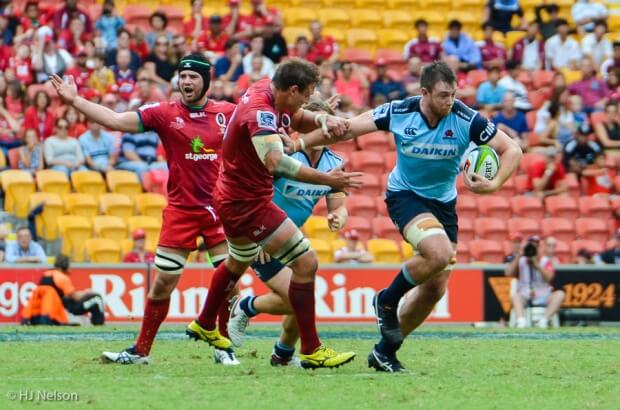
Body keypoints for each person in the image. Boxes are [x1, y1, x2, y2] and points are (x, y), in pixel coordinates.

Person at [290, 60, 522, 371]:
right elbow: (345, 130)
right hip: (405, 196)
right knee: (438, 252)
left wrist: (493, 184)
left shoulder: (467, 118)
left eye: (453, 94)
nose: (450, 101)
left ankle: (385, 351)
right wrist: (299, 142)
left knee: (435, 288)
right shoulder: (399, 111)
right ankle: (386, 299)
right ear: (424, 92)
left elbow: (513, 150)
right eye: (442, 95)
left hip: (443, 204)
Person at [50, 53, 237, 365]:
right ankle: (140, 351)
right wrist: (75, 101)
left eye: (193, 76)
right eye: (182, 75)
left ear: (207, 80)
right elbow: (114, 119)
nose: (186, 81)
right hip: (181, 211)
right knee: (163, 282)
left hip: (220, 211)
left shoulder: (227, 113)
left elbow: (264, 123)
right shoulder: (164, 113)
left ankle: (224, 347)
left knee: (229, 285)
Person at [187, 58, 361, 370]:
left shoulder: (266, 91)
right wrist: (328, 180)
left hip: (233, 197)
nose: (305, 101)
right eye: (305, 95)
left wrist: (321, 120)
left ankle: (203, 321)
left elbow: (295, 115)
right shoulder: (261, 111)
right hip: (249, 204)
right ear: (292, 89)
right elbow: (276, 164)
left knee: (236, 262)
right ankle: (311, 350)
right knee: (307, 263)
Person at [225, 99, 350, 365]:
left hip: (291, 238)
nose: (324, 131)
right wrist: (255, 235)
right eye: (318, 124)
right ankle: (246, 307)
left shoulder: (335, 162)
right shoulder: (285, 155)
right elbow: (256, 191)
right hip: (264, 235)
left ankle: (282, 354)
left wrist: (337, 215)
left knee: (302, 297)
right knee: (298, 299)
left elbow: (339, 204)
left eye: (327, 125)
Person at [505, 236, 565, 328]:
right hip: (525, 294)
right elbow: (508, 273)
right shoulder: (521, 261)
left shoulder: (545, 261)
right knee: (515, 296)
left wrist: (536, 264)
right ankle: (521, 321)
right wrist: (519, 255)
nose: (534, 249)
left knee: (560, 294)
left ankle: (544, 321)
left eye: (536, 246)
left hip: (544, 295)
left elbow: (549, 278)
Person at [43, 255, 105, 325]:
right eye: (69, 265)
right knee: (97, 298)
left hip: (53, 308)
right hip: (67, 310)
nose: (70, 267)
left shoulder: (46, 275)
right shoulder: (61, 278)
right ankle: (99, 324)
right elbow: (75, 297)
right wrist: (87, 293)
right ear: (64, 265)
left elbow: (64, 294)